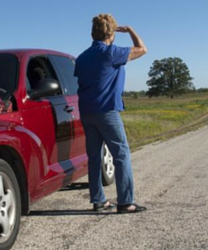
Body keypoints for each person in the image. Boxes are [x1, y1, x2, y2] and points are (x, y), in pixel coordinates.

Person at [74, 14, 147, 213]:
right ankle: (125, 202)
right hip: (107, 111)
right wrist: (130, 30)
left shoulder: (81, 58)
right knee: (121, 154)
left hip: (87, 112)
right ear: (111, 33)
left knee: (94, 157)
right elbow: (142, 49)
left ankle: (98, 200)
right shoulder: (110, 52)